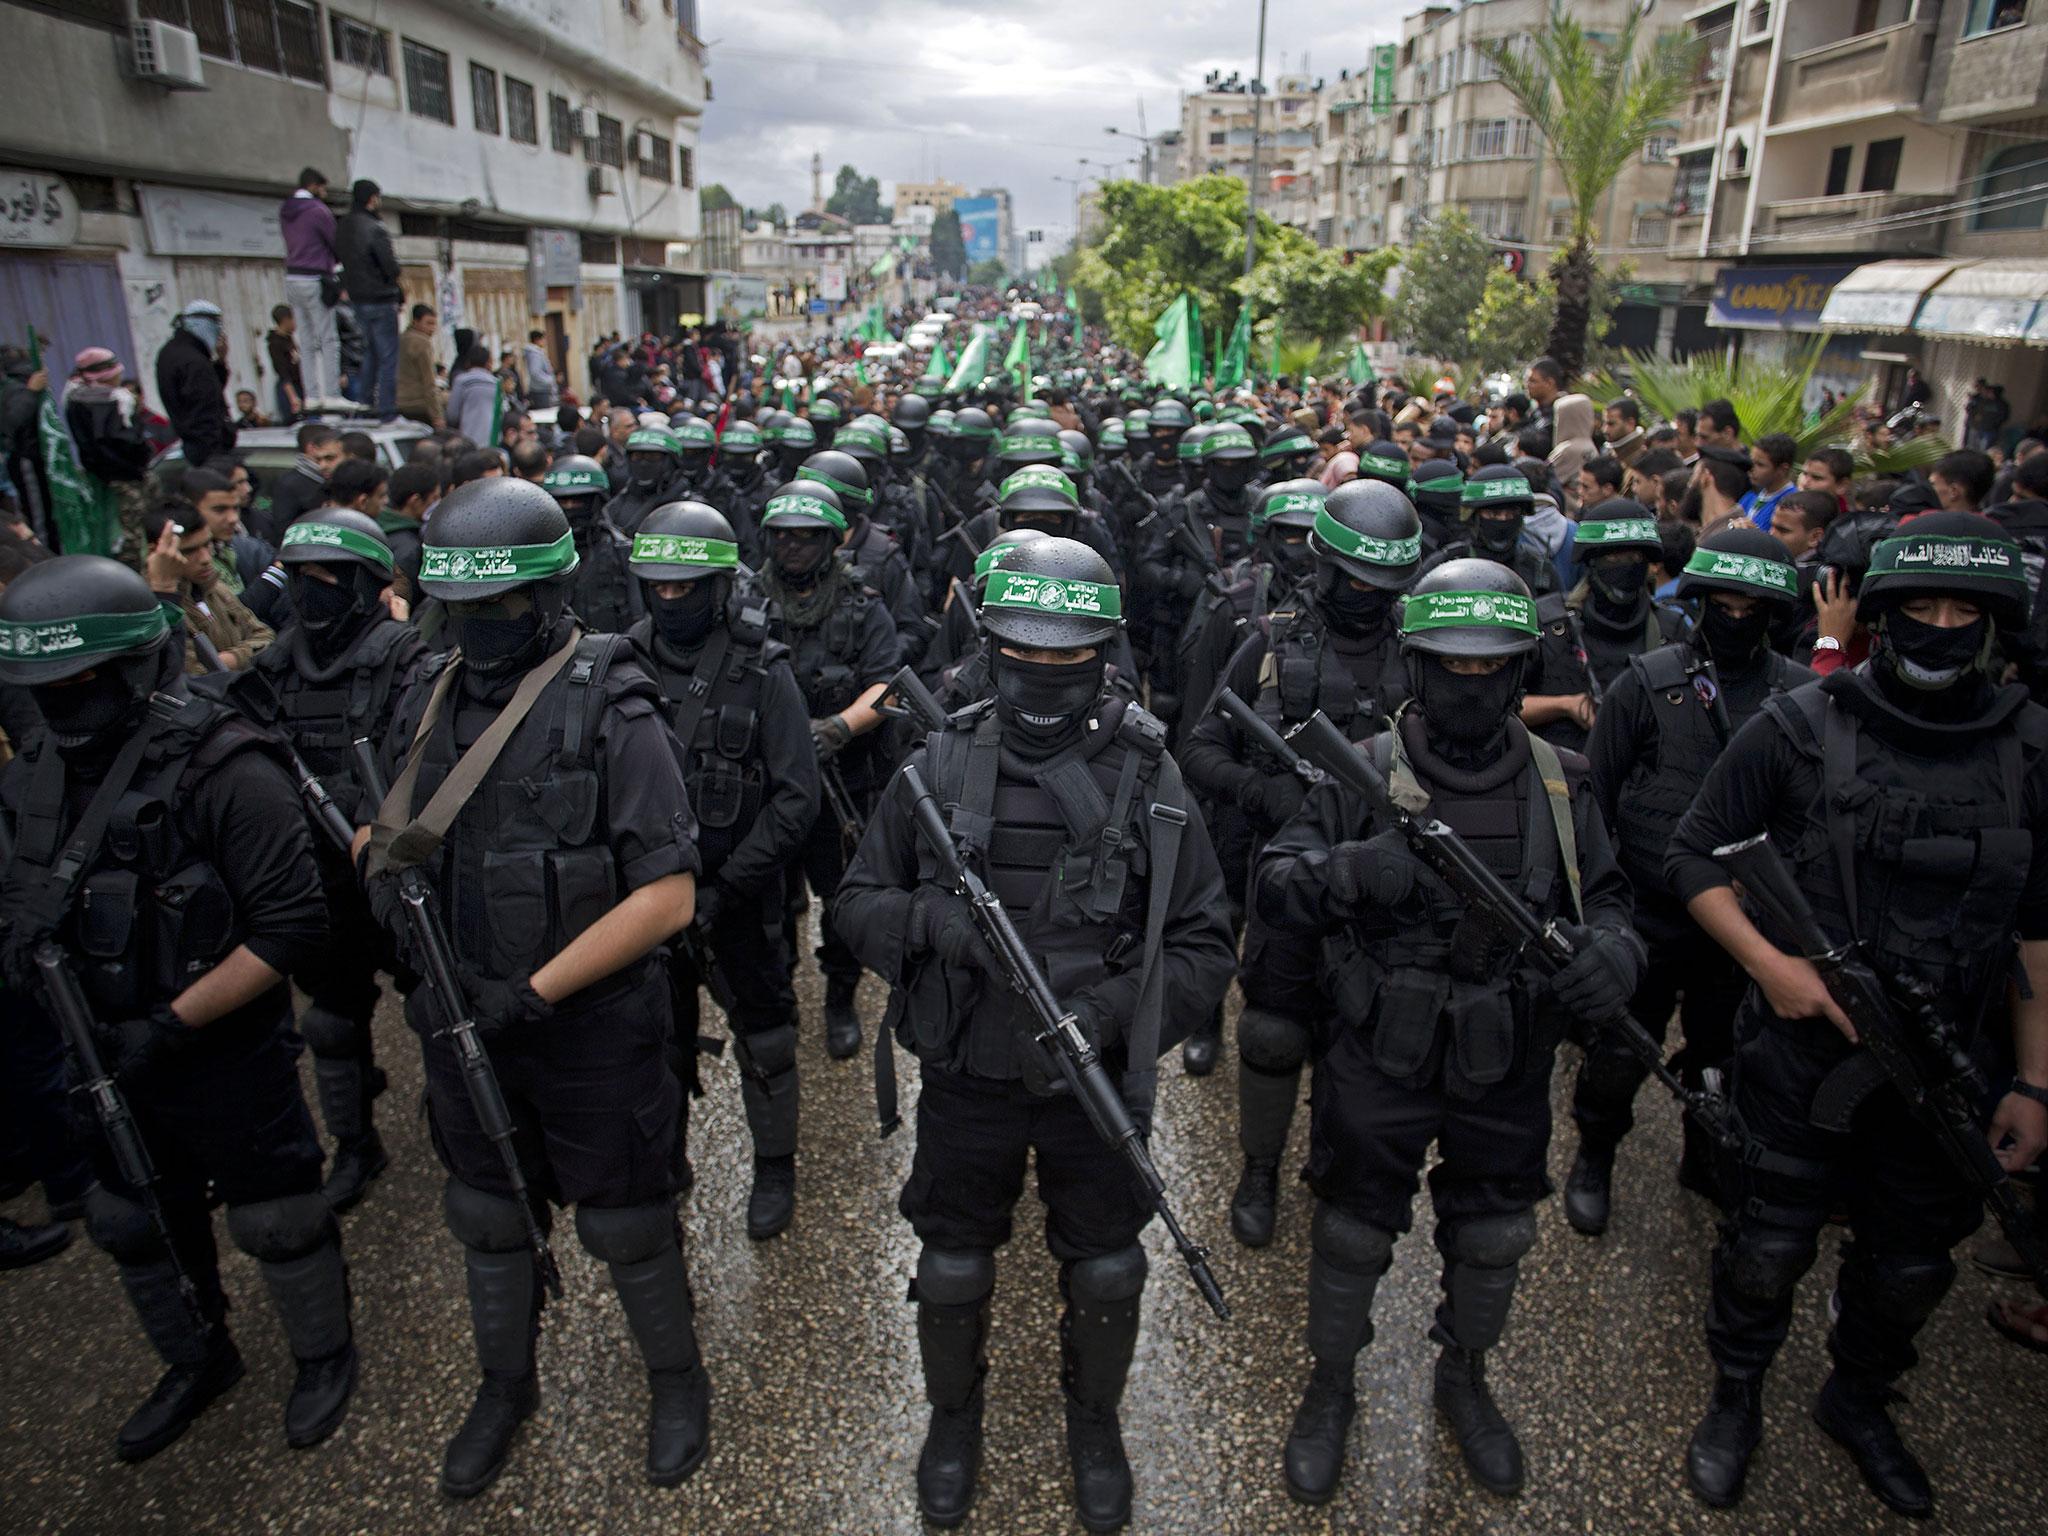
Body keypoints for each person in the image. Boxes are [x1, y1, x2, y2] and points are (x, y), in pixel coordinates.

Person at [834, 535, 1236, 1532]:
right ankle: (950, 1420)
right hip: (968, 1066)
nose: (1044, 675)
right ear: (989, 647)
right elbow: (856, 902)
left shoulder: (1149, 775)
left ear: (1105, 652)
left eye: (1069, 657)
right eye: (1024, 653)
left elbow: (1200, 944)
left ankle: (1093, 1424)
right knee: (952, 1261)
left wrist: (1110, 1016)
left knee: (1105, 1264)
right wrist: (936, 927)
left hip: (1091, 1081)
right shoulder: (938, 757)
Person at [1667, 512, 2048, 1518]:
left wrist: (2032, 1079)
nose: (1937, 626)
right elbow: (1694, 855)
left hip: (1946, 1062)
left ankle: (1857, 1398)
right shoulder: (1799, 723)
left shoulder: (2028, 750)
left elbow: (2039, 931)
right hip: (1796, 1059)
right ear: (1877, 615)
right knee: (1764, 1249)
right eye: (1916, 608)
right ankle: (1733, 1398)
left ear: (1994, 623)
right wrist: (1771, 967)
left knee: (1910, 1266)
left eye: (1961, 609)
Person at [1257, 557, 1641, 1504]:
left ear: (1519, 673)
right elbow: (1274, 882)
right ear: (1415, 667)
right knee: (1350, 1232)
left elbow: (1620, 900)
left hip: (1505, 1058)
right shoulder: (1362, 770)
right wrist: (1352, 871)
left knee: (1496, 1233)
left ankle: (1463, 1376)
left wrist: (1617, 957)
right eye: (1450, 665)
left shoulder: (1563, 784)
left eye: (1492, 667)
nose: (1472, 683)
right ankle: (1331, 1383)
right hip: (1378, 1052)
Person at [359, 476, 709, 1496]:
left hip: (588, 1026)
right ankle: (504, 1387)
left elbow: (667, 896)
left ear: (550, 594)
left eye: (501, 606)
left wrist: (533, 994)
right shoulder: (425, 695)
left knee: (625, 1225)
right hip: (459, 1016)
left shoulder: (610, 698)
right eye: (460, 608)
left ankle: (676, 1380)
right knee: (486, 1217)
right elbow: (386, 838)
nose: (480, 627)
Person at [0, 554, 356, 1461]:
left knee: (278, 1213)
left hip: (220, 1047)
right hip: (94, 1046)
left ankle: (323, 1354)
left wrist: (171, 1025)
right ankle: (197, 1357)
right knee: (131, 1219)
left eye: (78, 684)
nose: (59, 705)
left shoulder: (225, 763)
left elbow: (289, 927)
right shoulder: (36, 772)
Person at [1181, 479, 1422, 1248]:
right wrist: (1268, 792)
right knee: (1274, 1032)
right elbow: (1199, 748)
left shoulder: (1421, 651)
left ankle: (1338, 1165)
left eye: (1382, 584)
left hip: (1388, 880)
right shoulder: (1270, 640)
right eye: (1354, 579)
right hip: (1287, 875)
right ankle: (1259, 1167)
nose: (1366, 596)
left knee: (1368, 1043)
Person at [1566, 526, 1812, 1237]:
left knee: (1722, 1055)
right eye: (1721, 606)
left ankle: (1702, 1156)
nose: (1734, 620)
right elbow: (1600, 798)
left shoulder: (1799, 699)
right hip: (1648, 914)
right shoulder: (1648, 682)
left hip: (1744, 928)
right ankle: (1595, 1153)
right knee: (1617, 1052)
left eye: (1751, 608)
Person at [625, 502, 819, 1238]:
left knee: (766, 1036)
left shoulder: (762, 670)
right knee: (651, 1039)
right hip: (644, 906)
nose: (670, 599)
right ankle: (664, 1167)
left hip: (737, 898)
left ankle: (775, 1166)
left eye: (686, 587)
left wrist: (724, 888)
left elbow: (795, 798)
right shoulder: (620, 663)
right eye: (658, 588)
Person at [240, 509, 430, 1210]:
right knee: (329, 1020)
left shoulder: (407, 656)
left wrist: (364, 814)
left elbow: (426, 756)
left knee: (436, 1004)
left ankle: (455, 1120)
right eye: (299, 577)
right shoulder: (273, 665)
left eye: (326, 578)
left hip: (394, 867)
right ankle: (355, 1146)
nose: (310, 591)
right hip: (316, 879)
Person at [756, 480, 900, 1061]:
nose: (792, 547)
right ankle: (777, 1003)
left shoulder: (862, 603)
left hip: (842, 779)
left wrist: (839, 726)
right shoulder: (746, 597)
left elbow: (890, 683)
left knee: (843, 904)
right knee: (766, 903)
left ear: (832, 540)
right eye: (782, 537)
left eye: (806, 537)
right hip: (766, 783)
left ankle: (840, 996)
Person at [143, 507, 273, 672]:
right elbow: (189, 673)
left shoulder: (215, 588)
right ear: (157, 552)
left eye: (207, 544)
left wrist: (231, 659)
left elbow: (266, 636)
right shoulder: (150, 605)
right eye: (189, 551)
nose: (205, 558)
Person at [61, 347, 153, 560]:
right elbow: (122, 441)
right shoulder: (111, 401)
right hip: (124, 478)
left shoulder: (74, 397)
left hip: (102, 477)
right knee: (134, 534)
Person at [541, 453, 640, 634]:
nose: (570, 507)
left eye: (578, 501)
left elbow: (639, 617)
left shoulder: (623, 550)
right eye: (563, 502)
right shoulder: (540, 555)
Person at [337, 180, 402, 417]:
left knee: (370, 354)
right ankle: (387, 409)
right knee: (387, 358)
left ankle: (365, 403)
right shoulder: (375, 227)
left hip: (358, 299)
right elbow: (390, 267)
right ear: (372, 199)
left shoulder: (343, 226)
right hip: (381, 298)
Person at [279, 167, 340, 405]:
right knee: (328, 339)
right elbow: (333, 242)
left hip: (293, 277)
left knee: (305, 341)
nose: (324, 193)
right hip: (315, 277)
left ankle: (312, 395)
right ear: (314, 186)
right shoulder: (317, 210)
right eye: (323, 188)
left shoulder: (286, 210)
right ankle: (333, 395)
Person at [155, 302, 235, 471]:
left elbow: (210, 391)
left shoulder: (173, 353)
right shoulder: (193, 361)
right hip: (207, 450)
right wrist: (214, 454)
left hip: (194, 444)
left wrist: (219, 363)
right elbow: (204, 408)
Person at [256, 423, 346, 546]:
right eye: (320, 459)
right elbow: (284, 531)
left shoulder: (332, 482)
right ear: (312, 448)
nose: (323, 466)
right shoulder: (291, 484)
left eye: (329, 458)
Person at [446, 345, 502, 452]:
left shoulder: (461, 381)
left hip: (467, 440)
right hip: (492, 441)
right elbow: (501, 413)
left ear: (468, 361)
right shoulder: (496, 383)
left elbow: (452, 415)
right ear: (488, 362)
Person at [397, 305, 444, 428]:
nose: (432, 328)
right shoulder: (422, 342)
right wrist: (437, 417)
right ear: (415, 322)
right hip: (417, 403)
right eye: (428, 323)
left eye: (434, 324)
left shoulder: (401, 338)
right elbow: (429, 382)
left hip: (398, 401)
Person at [1741, 434, 1798, 531]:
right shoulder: (1750, 496)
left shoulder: (1792, 504)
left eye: (1760, 465)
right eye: (1752, 461)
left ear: (1782, 469)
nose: (1751, 468)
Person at [520, 331, 558, 409]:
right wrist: (549, 380)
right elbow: (535, 372)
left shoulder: (537, 352)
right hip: (540, 390)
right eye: (543, 339)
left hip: (541, 389)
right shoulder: (535, 354)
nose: (545, 342)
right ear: (537, 340)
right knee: (544, 413)